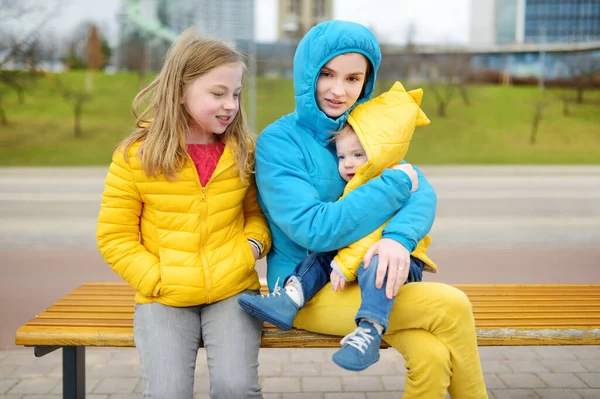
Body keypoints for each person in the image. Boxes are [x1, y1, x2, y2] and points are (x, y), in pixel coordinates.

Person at [251, 20, 488, 398]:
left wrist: (398, 239)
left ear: (366, 82)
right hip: (305, 290)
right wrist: (393, 186)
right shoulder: (278, 143)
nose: (338, 90)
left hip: (368, 280)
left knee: (431, 354)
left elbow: (419, 191)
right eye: (327, 74)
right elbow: (315, 228)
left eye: (352, 78)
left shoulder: (366, 127)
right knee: (451, 306)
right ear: (306, 73)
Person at [96, 29, 271, 399]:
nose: (230, 105)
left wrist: (250, 249)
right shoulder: (136, 157)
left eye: (236, 94)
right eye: (218, 93)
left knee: (236, 388)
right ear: (180, 91)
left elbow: (257, 215)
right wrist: (157, 278)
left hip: (232, 290)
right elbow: (115, 237)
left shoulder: (245, 151)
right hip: (165, 296)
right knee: (168, 393)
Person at [239, 81, 438, 371]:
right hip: (350, 259)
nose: (347, 163)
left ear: (379, 152)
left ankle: (369, 331)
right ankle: (289, 299)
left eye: (358, 155)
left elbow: (412, 206)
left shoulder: (395, 174)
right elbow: (333, 227)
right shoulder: (357, 182)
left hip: (394, 264)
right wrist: (344, 262)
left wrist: (396, 240)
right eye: (342, 156)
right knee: (320, 258)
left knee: (376, 265)